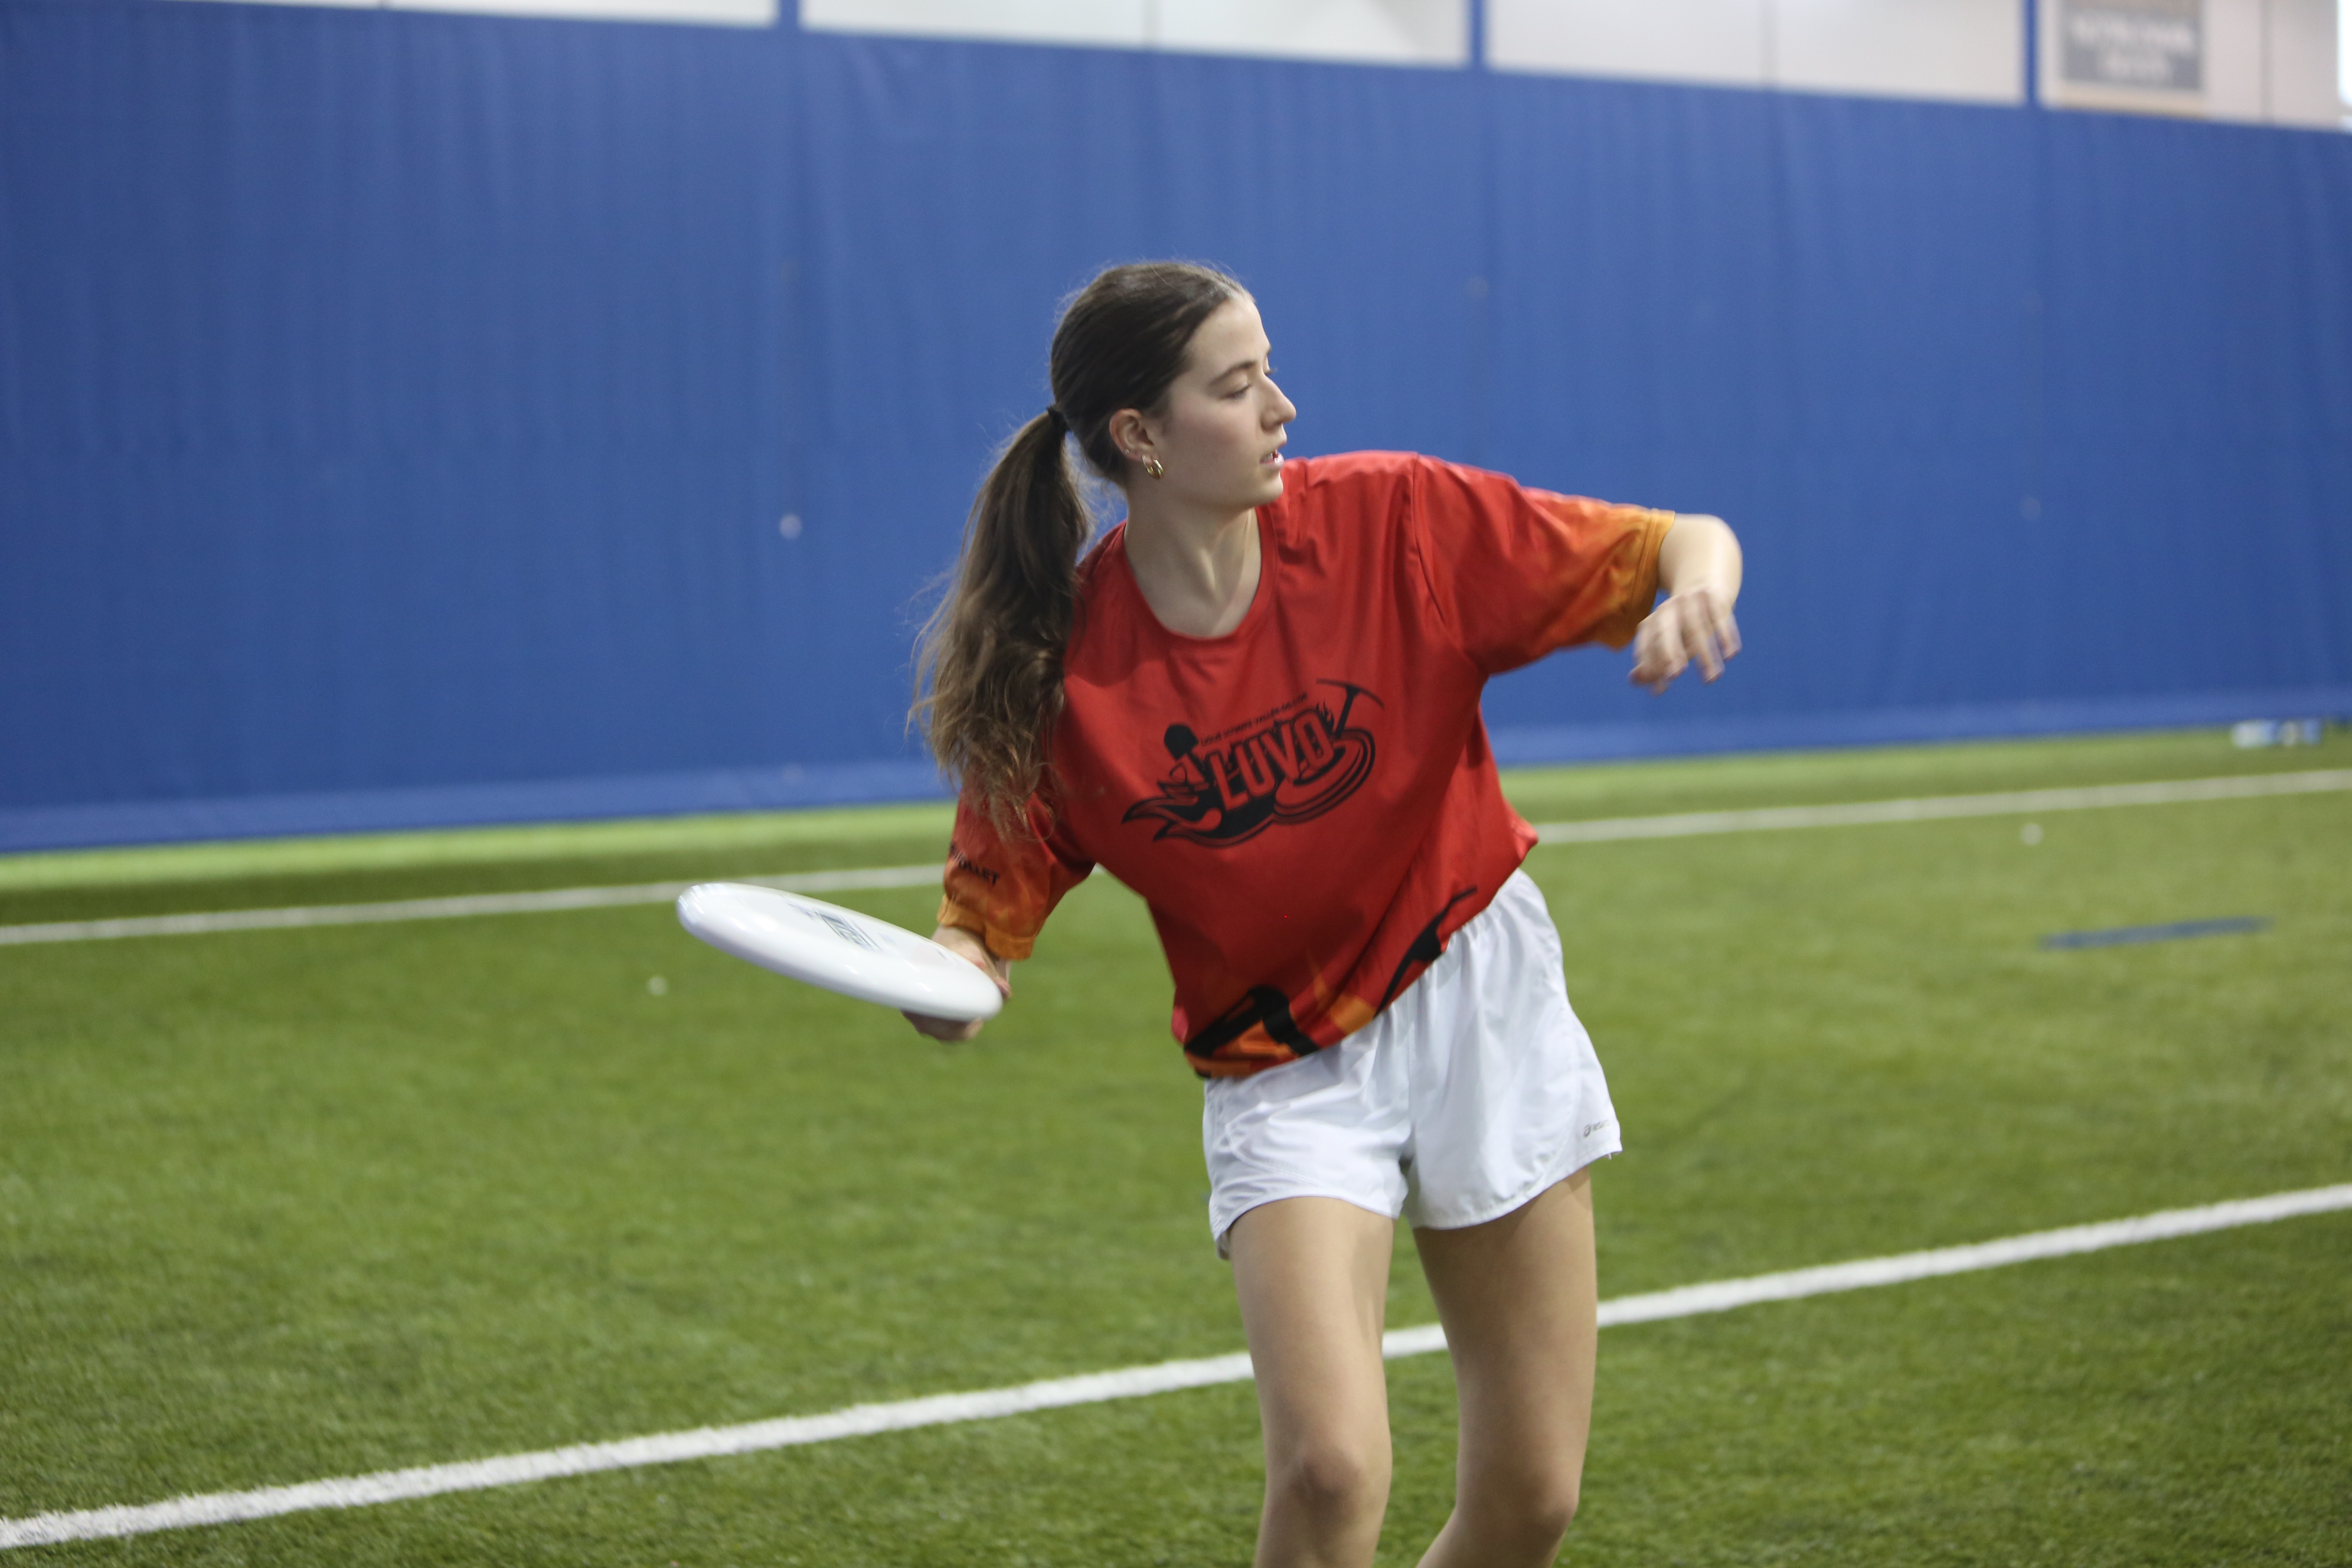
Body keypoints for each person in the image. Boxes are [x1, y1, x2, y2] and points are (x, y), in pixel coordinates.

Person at [905, 262, 1741, 1568]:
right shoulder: (1060, 668)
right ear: (1140, 437)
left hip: (1480, 996)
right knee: (1330, 1469)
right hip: (1280, 1060)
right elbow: (982, 923)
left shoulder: (1397, 521)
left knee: (1531, 1499)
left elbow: (1678, 540)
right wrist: (953, 984)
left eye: (1271, 372)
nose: (1282, 406)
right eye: (1238, 386)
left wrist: (1698, 588)